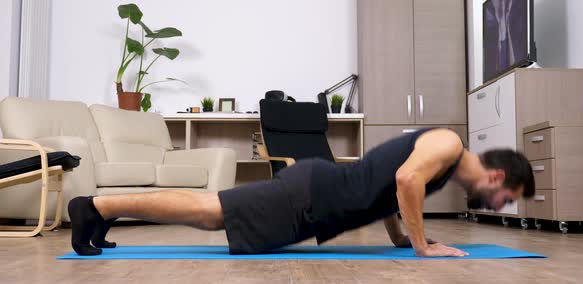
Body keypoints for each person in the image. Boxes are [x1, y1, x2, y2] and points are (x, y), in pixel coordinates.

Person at [68, 128, 535, 257]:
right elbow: (404, 181)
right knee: (210, 213)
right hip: (312, 195)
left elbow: (393, 187)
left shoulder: (445, 159)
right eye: (508, 197)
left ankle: (101, 211)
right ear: (497, 178)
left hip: (316, 197)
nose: (502, 207)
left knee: (211, 213)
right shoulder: (449, 144)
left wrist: (401, 237)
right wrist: (420, 246)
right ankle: (94, 207)